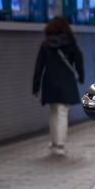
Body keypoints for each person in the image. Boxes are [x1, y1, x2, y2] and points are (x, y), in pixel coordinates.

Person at [32, 16, 84, 155]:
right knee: (62, 112)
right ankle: (60, 144)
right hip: (66, 81)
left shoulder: (46, 44)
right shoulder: (71, 43)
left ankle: (54, 142)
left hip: (50, 81)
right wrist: (81, 76)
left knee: (54, 112)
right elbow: (79, 61)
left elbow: (39, 66)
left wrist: (36, 87)